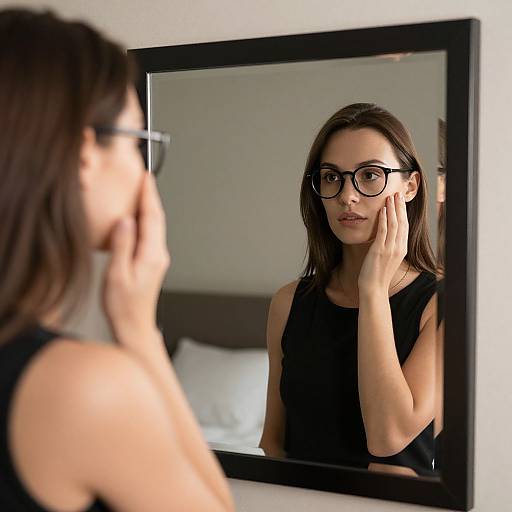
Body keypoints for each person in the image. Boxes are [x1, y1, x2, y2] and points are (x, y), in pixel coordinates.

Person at [0, 8, 235, 512]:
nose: (142, 172)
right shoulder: (82, 387)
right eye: (138, 142)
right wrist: (139, 331)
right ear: (86, 155)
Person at [259, 103, 444, 476]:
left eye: (370, 175)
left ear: (410, 186)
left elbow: (389, 437)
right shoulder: (289, 302)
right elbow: (273, 442)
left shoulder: (444, 304)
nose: (347, 195)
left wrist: (373, 289)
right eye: (331, 177)